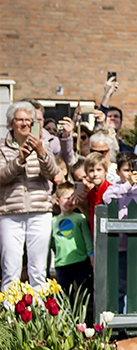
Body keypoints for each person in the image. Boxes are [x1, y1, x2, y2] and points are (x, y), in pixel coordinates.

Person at [0, 101, 59, 290]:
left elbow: (53, 173)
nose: (25, 124)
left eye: (28, 120)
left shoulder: (43, 144)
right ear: (11, 123)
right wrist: (19, 160)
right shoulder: (2, 147)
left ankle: (40, 317)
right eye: (20, 120)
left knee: (38, 271)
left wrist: (41, 153)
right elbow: (1, 176)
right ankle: (8, 318)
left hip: (39, 210)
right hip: (10, 211)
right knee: (10, 270)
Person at [103, 152, 137, 314]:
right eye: (126, 170)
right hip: (120, 247)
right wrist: (127, 186)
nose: (131, 174)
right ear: (118, 171)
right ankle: (121, 320)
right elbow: (107, 198)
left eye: (134, 170)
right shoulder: (115, 189)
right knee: (121, 285)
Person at [51, 183, 93, 315]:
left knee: (83, 293)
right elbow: (52, 242)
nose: (70, 201)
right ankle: (66, 320)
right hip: (62, 264)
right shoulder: (53, 221)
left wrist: (91, 255)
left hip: (80, 262)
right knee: (64, 295)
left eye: (72, 197)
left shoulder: (80, 218)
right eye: (66, 198)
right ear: (57, 201)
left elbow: (87, 239)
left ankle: (84, 319)